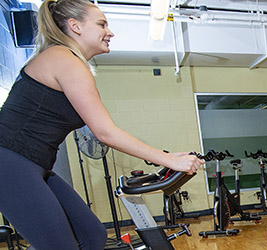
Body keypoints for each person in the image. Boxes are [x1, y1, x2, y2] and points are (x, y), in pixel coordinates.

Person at [0, 0, 203, 248]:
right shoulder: (64, 59)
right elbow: (105, 132)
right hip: (10, 161)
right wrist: (168, 159)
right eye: (101, 24)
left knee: (92, 235)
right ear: (75, 26)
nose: (110, 32)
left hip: (34, 162)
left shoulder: (69, 60)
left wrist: (168, 158)